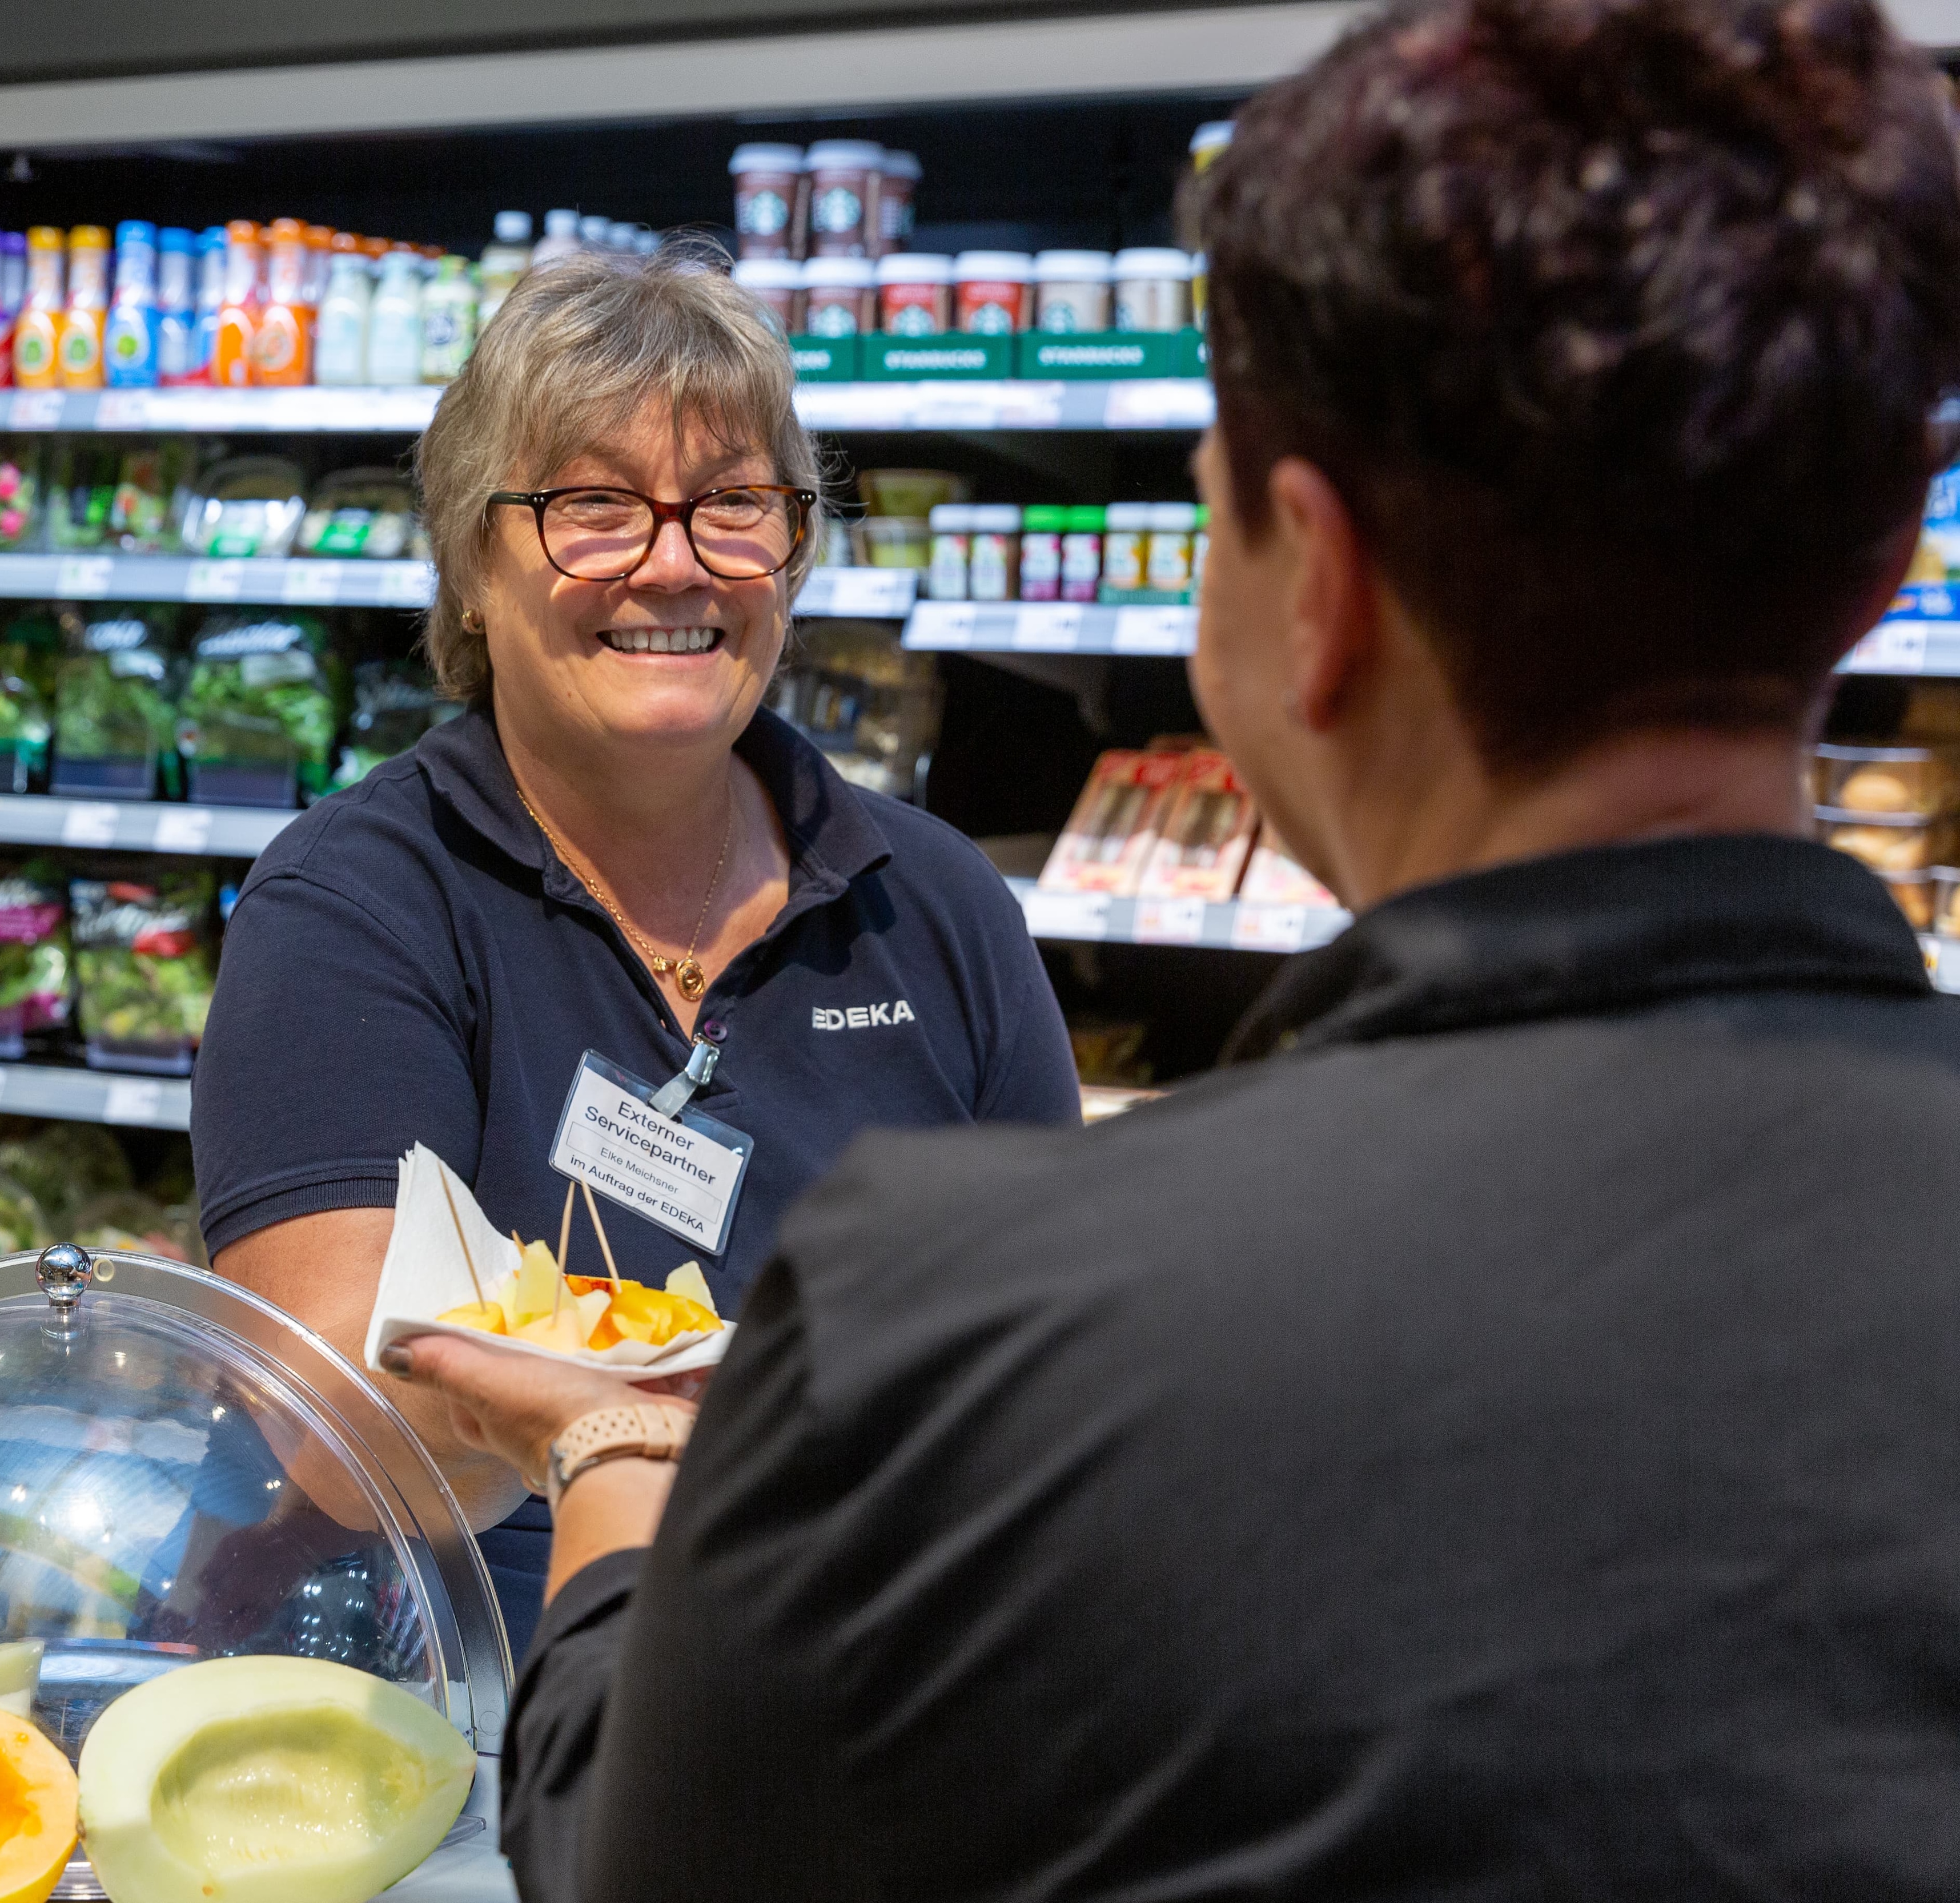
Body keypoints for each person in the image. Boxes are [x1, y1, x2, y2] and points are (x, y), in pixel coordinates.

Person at [387, 0, 1960, 1893]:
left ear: (1319, 583)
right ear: (1882, 567)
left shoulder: (981, 1326)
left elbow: (634, 1856)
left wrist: (616, 1457)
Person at [192, 246, 1079, 1651]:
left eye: (733, 503)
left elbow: (1054, 1350)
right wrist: (624, 1424)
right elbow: (347, 1429)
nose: (675, 561)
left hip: (879, 1670)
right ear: (471, 567)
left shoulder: (936, 902)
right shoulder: (354, 903)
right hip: (487, 1698)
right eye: (592, 507)